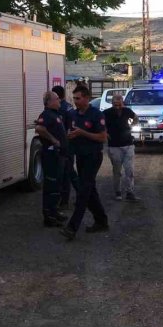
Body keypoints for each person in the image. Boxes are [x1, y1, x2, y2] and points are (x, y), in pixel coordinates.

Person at [60, 85, 110, 241]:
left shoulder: (96, 115)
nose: (75, 101)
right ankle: (101, 221)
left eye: (78, 98)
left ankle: (72, 227)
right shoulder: (72, 114)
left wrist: (83, 133)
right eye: (74, 98)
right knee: (90, 190)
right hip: (80, 156)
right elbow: (70, 132)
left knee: (83, 191)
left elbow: (103, 137)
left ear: (87, 98)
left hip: (93, 156)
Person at [34, 91, 69, 227]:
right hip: (51, 156)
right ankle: (49, 216)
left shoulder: (56, 114)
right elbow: (39, 128)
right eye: (56, 99)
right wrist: (54, 140)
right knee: (51, 185)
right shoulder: (46, 115)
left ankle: (55, 211)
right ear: (49, 102)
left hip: (59, 155)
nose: (59, 101)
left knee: (57, 186)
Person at [103, 92, 140, 202]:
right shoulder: (106, 113)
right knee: (117, 171)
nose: (118, 107)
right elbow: (101, 124)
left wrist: (131, 125)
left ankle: (130, 192)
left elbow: (136, 118)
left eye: (119, 104)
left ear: (122, 103)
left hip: (128, 144)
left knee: (129, 170)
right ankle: (117, 191)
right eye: (115, 104)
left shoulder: (127, 111)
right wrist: (105, 133)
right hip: (114, 145)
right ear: (112, 103)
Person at [52, 85, 77, 208]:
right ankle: (66, 199)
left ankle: (64, 200)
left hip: (63, 145)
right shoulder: (69, 107)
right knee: (69, 172)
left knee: (64, 173)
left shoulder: (60, 108)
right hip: (70, 145)